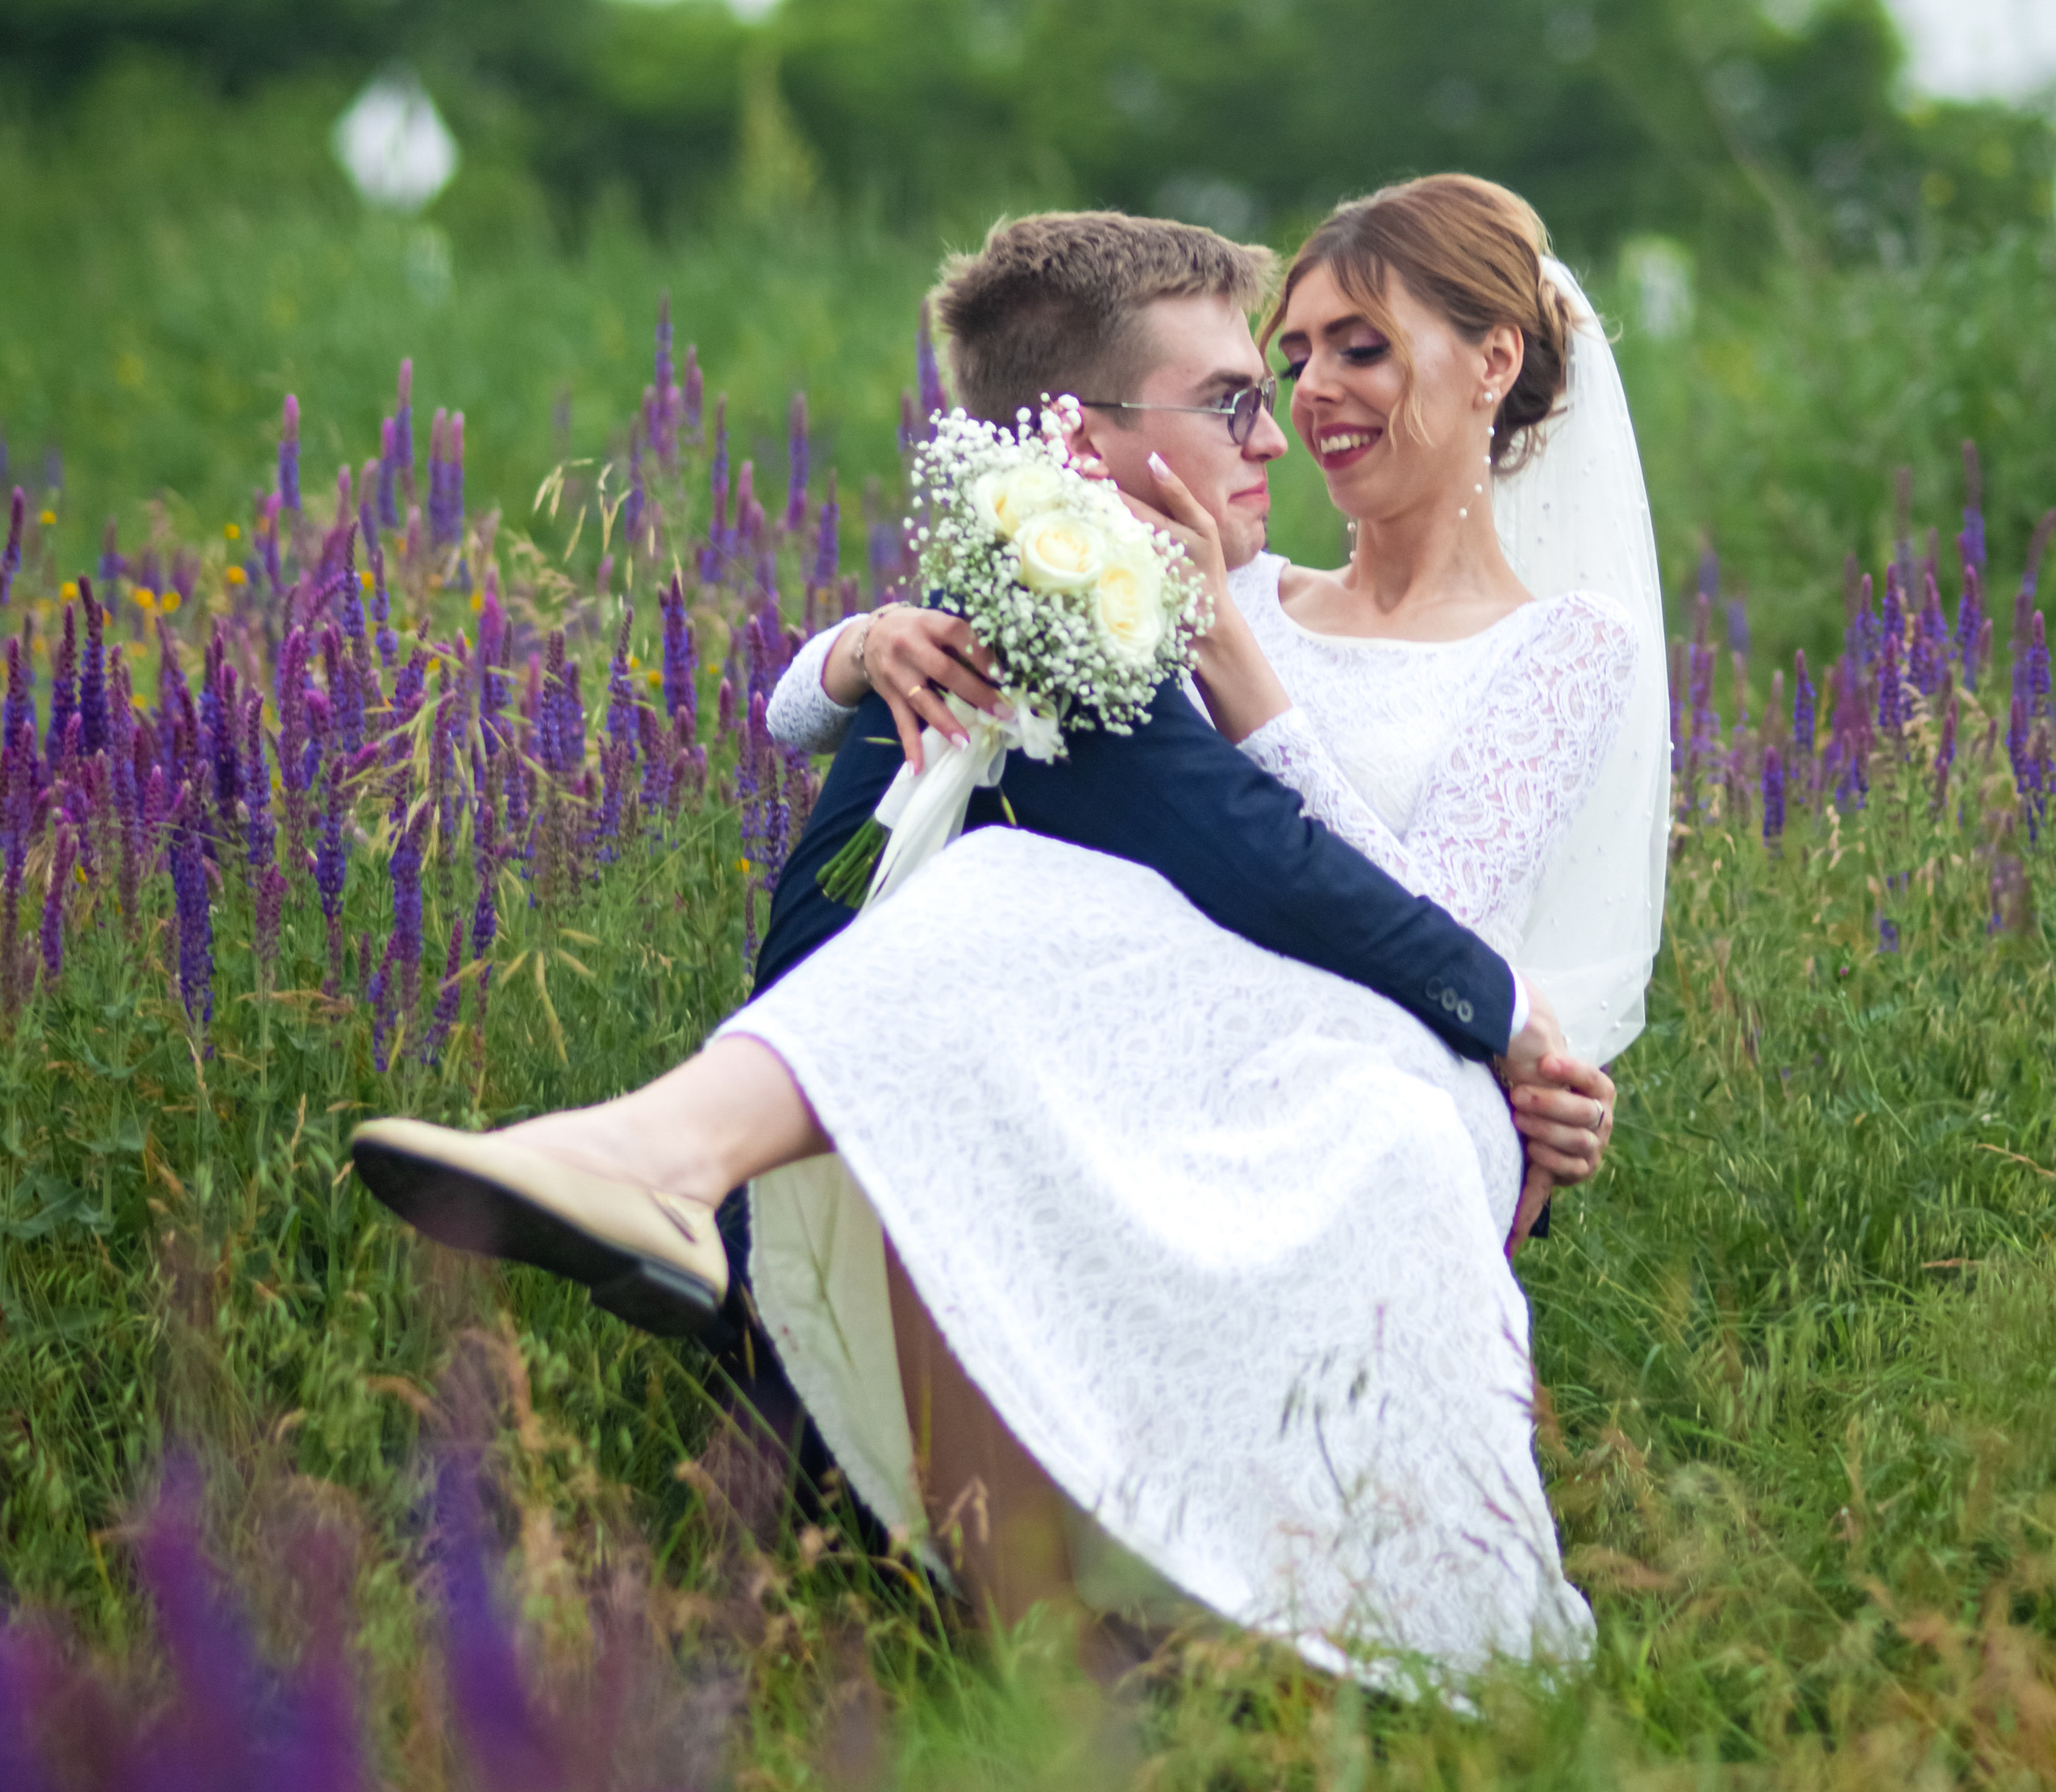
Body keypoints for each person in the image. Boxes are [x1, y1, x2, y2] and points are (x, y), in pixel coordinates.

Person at [355, 193, 1654, 1686]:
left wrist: (1249, 681)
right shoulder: (1221, 568)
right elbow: (920, 682)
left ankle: (673, 1172)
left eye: (1359, 349)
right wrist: (860, 645)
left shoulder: (1554, 645)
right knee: (1009, 890)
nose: (1309, 399)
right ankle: (1029, 1629)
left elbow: (1426, 922)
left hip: (1388, 1050)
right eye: (1291, 359)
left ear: (1493, 363)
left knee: (1017, 898)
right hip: (1186, 1016)